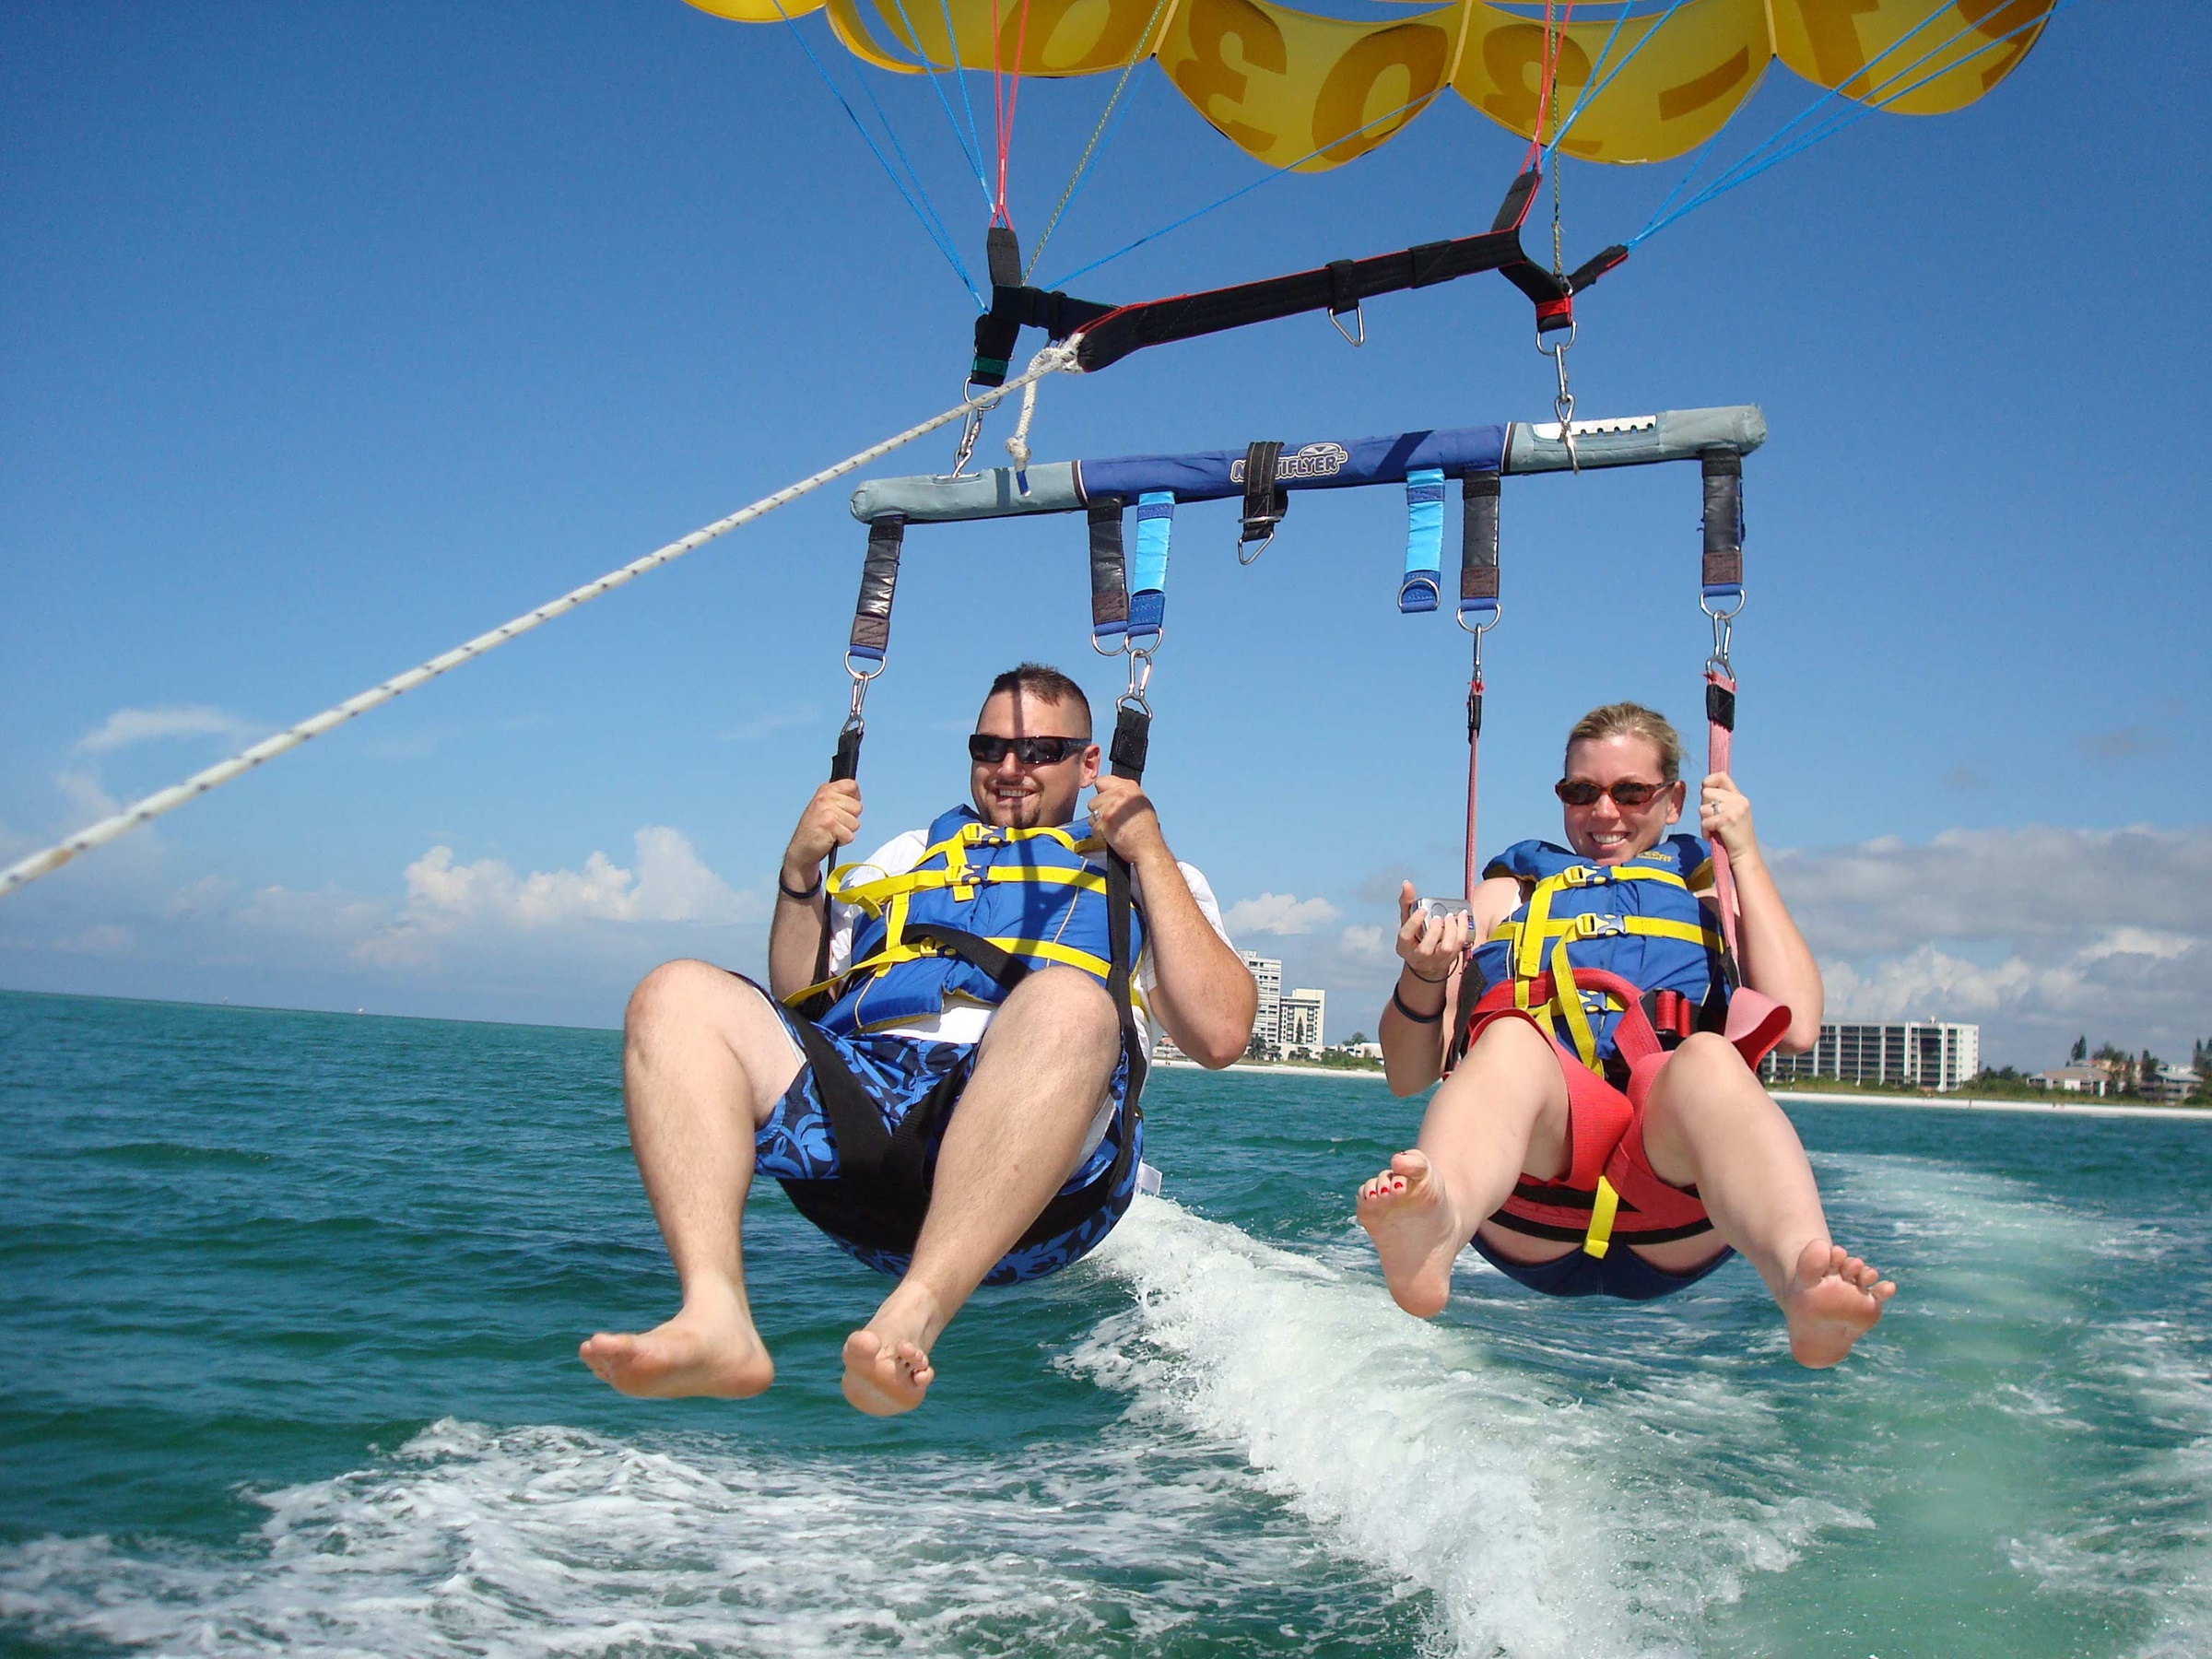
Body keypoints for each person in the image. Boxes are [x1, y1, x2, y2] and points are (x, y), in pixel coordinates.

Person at [581, 664, 1254, 1414]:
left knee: (1069, 1000)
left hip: (1040, 1180)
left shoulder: (1146, 873)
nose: (1009, 769)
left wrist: (1148, 851)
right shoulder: (911, 854)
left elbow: (1222, 1034)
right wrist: (800, 872)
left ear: (1090, 763)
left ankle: (914, 1314)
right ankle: (714, 1316)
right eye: (989, 747)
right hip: (863, 1135)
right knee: (673, 991)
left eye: (1038, 751)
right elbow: (800, 995)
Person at [1356, 701, 1894, 1367]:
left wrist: (1746, 854)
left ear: (1673, 802)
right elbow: (1408, 1075)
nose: (1604, 812)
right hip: (1531, 1196)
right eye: (1581, 793)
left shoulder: (1708, 896)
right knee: (1513, 1039)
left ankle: (1801, 1277)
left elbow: (1798, 1025)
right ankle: (1438, 1226)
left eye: (1630, 792)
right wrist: (1424, 975)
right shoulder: (1508, 896)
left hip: (1669, 1195)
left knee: (1707, 1057)